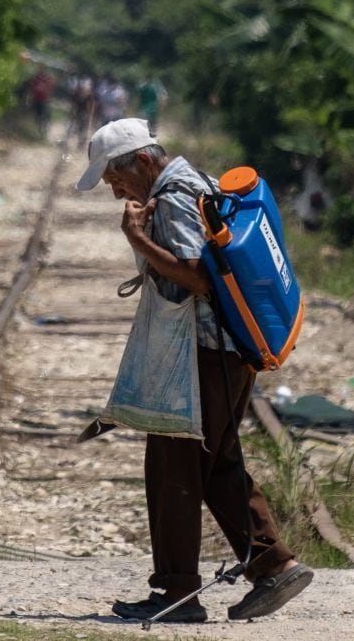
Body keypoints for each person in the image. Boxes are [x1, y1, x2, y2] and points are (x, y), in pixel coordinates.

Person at [76, 119, 314, 624]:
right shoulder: (196, 183)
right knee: (217, 466)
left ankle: (176, 593)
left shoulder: (177, 194)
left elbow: (197, 276)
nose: (115, 191)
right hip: (224, 353)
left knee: (173, 469)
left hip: (204, 355)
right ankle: (273, 566)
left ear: (142, 161)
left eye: (115, 180)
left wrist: (137, 238)